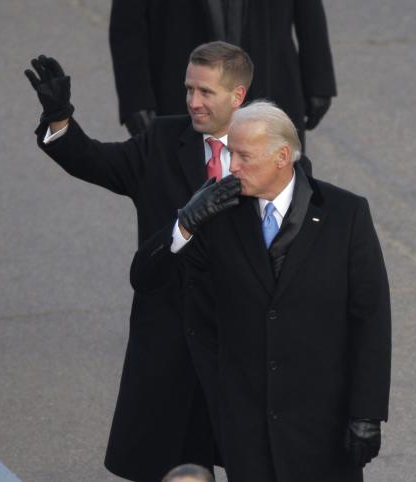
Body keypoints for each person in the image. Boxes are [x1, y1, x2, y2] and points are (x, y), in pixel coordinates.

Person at [24, 42, 290, 481]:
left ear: (238, 97)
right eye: (188, 89)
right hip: (174, 345)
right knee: (182, 466)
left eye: (205, 92)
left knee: (259, 465)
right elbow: (93, 160)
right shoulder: (163, 141)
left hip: (244, 349)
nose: (192, 101)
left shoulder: (268, 148)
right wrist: (59, 120)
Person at [130, 101, 391, 481]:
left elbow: (371, 317)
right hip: (246, 431)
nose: (230, 165)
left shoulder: (345, 214)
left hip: (325, 430)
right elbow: (146, 277)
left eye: (242, 156)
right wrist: (184, 222)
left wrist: (367, 413)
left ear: (282, 156)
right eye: (230, 152)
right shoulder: (217, 214)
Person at [110, 0, 336, 142]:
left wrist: (319, 77)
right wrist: (136, 98)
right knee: (187, 200)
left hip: (269, 79)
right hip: (183, 93)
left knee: (277, 202)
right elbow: (127, 24)